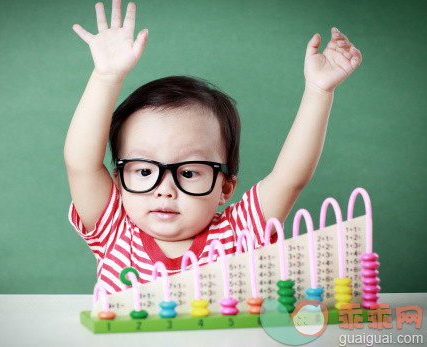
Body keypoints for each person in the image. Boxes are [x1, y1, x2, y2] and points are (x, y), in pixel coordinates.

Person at [64, 0, 362, 294]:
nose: (164, 189)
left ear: (226, 187)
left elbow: (289, 178)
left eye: (190, 173)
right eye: (143, 170)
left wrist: (319, 91)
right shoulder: (113, 230)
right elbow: (81, 164)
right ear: (119, 181)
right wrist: (106, 78)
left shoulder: (238, 232)